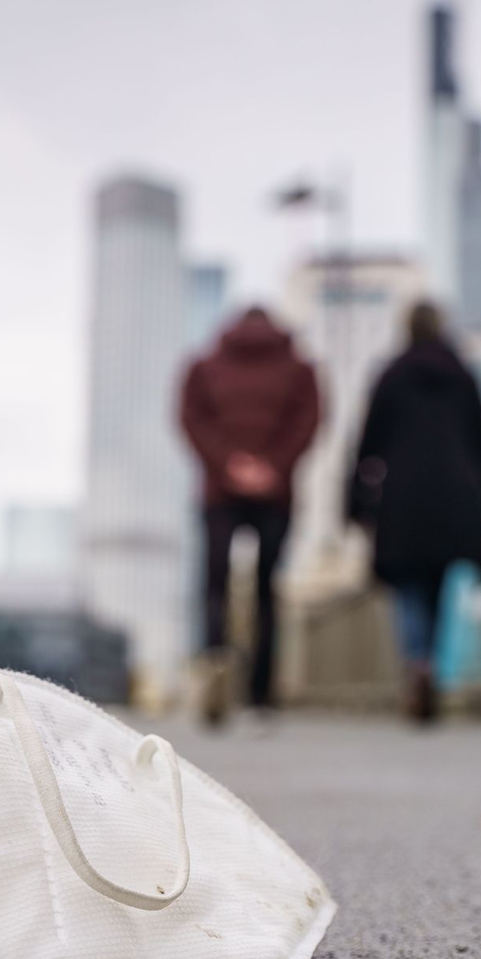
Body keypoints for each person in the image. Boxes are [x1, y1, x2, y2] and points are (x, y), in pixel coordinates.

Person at [348, 300, 481, 723]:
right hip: (454, 500)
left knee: (408, 589)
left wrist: (355, 505)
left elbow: (366, 447)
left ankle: (416, 662)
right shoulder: (464, 376)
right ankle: (430, 663)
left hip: (401, 500)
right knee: (437, 585)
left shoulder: (390, 376)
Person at [180, 306, 321, 725]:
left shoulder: (203, 364)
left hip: (218, 492)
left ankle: (216, 680)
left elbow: (191, 420)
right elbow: (309, 422)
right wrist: (273, 466)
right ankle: (261, 695)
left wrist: (228, 465)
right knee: (267, 592)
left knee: (214, 586)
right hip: (277, 493)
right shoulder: (300, 368)